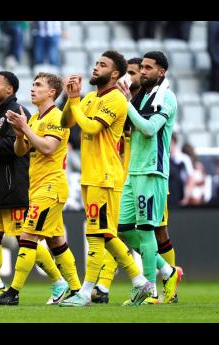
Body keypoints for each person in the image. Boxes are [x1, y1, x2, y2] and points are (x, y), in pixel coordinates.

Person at [0, 71, 77, 305]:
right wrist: (16, 134)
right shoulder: (32, 118)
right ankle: (74, 289)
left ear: (52, 92)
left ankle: (13, 292)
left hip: (45, 186)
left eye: (38, 85)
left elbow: (46, 148)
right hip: (27, 187)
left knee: (26, 238)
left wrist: (22, 130)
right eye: (33, 84)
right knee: (55, 240)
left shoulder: (54, 117)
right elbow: (19, 150)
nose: (33, 88)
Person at [59, 50, 153, 307]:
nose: (95, 67)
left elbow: (90, 127)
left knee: (98, 234)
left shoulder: (116, 100)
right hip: (91, 176)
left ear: (114, 74)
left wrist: (76, 101)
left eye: (102, 65)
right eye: (96, 63)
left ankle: (86, 292)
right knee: (103, 234)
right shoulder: (88, 98)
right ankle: (139, 281)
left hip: (105, 175)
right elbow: (66, 122)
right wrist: (71, 99)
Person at [92, 57, 181, 304]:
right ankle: (168, 271)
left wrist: (127, 103)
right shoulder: (142, 96)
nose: (142, 72)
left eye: (148, 68)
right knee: (121, 229)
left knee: (145, 230)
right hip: (133, 171)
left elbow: (150, 129)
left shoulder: (166, 97)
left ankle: (150, 291)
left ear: (161, 72)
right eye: (141, 67)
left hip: (152, 171)